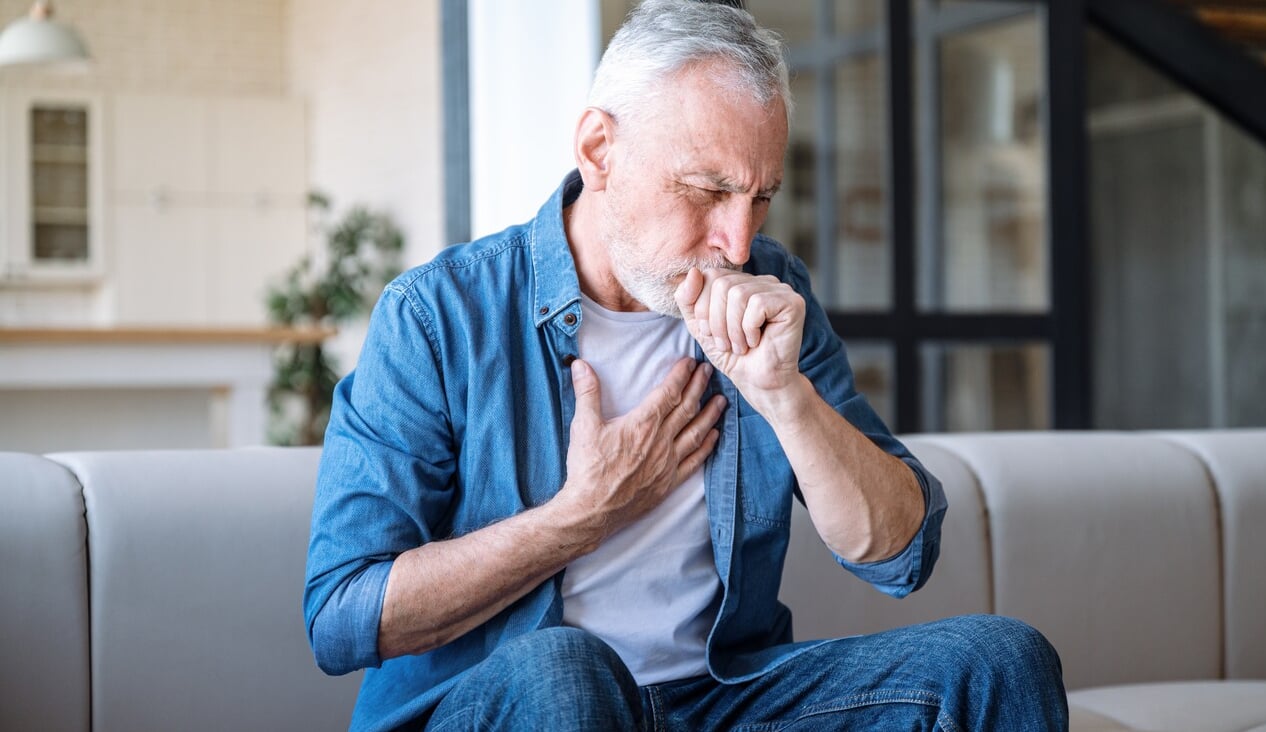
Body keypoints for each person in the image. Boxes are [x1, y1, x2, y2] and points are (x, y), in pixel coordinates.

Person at [304, 1, 1068, 729]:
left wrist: (785, 397)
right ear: (600, 150)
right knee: (566, 670)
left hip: (716, 699)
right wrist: (580, 518)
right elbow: (343, 616)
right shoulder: (438, 316)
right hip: (506, 704)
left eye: (759, 198)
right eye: (708, 191)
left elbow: (901, 554)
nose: (736, 242)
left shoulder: (774, 293)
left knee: (999, 661)